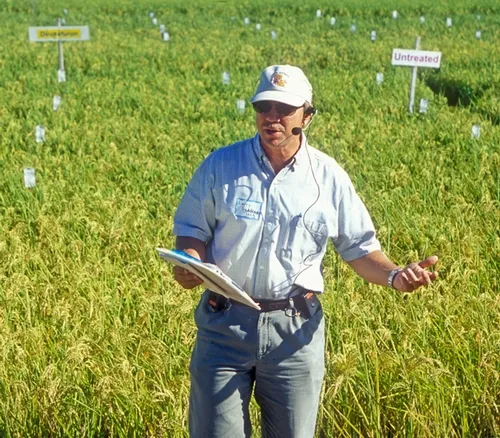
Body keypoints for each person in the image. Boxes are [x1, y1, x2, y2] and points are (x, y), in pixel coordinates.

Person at [172, 65, 438, 438]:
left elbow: (359, 248)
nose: (272, 117)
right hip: (223, 327)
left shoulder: (328, 177)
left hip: (294, 334)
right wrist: (191, 262)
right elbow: (190, 231)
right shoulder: (221, 166)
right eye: (264, 107)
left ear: (307, 116)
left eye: (284, 109)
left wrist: (395, 276)